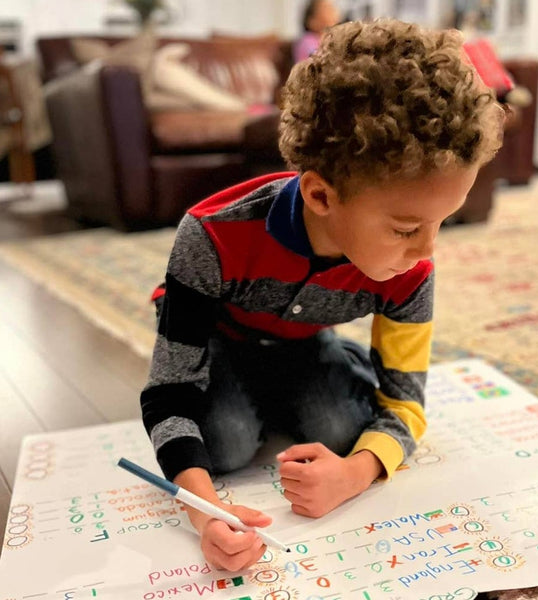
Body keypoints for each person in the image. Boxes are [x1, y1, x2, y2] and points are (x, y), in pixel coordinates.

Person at [140, 18, 503, 572]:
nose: (427, 251)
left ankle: (322, 368)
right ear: (321, 195)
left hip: (303, 343)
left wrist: (354, 474)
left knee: (340, 431)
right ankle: (278, 388)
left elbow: (406, 402)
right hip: (220, 343)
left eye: (442, 223)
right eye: (406, 229)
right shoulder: (211, 235)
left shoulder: (412, 267)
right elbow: (168, 392)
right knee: (226, 443)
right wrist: (204, 512)